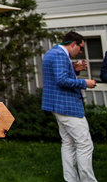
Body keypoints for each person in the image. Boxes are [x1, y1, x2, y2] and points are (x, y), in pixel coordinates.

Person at [42, 31, 98, 182]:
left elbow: (57, 75)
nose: (80, 52)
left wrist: (74, 69)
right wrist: (85, 83)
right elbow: (61, 80)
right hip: (67, 106)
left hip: (57, 105)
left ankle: (71, 179)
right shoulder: (60, 55)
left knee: (68, 143)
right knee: (85, 144)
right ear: (73, 43)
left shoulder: (52, 53)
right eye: (80, 48)